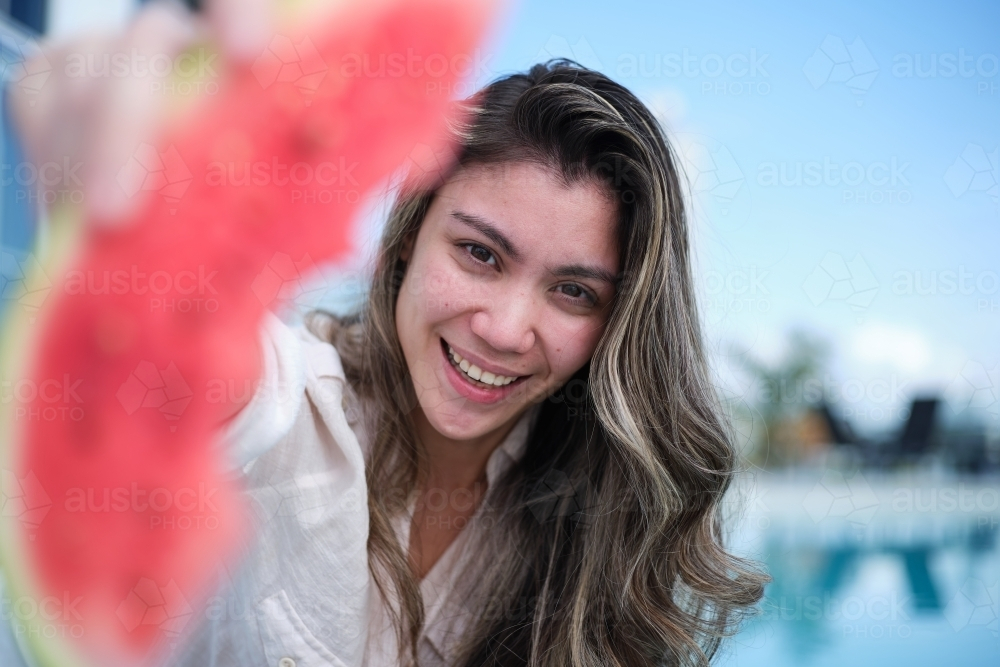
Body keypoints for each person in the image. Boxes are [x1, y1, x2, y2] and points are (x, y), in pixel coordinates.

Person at [3, 3, 766, 665]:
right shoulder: (289, 400)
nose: (503, 329)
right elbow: (195, 370)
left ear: (618, 324)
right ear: (407, 241)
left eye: (573, 291)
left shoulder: (596, 516)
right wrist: (136, 244)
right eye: (479, 253)